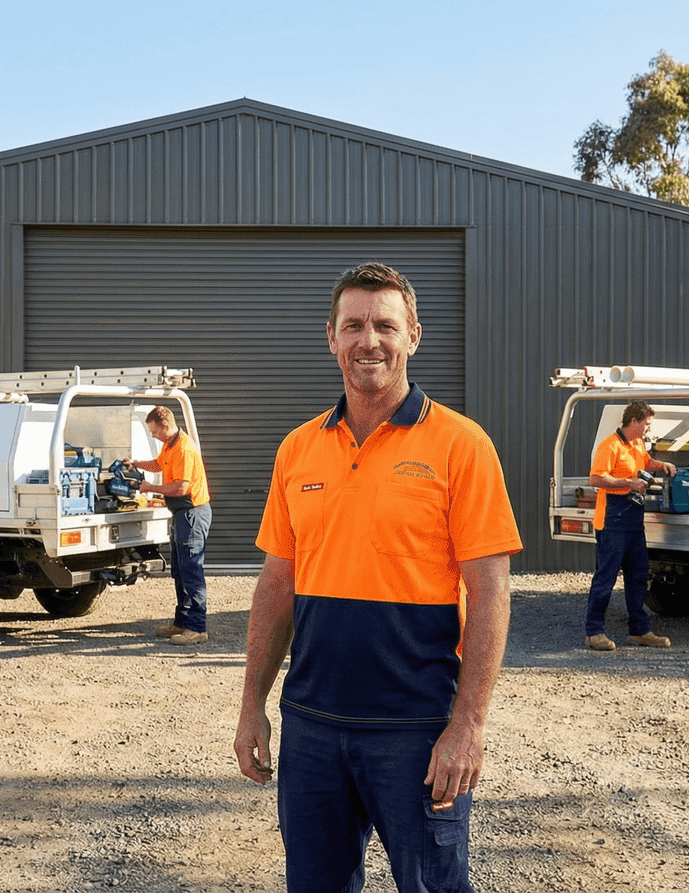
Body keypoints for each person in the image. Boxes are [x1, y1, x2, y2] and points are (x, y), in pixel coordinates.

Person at [233, 262, 522, 893]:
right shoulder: (298, 449)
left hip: (416, 730)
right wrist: (252, 704)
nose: (370, 340)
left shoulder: (461, 445)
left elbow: (492, 590)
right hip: (312, 725)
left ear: (414, 336)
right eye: (354, 325)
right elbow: (277, 586)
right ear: (330, 337)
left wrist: (467, 725)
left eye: (386, 325)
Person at [583, 400, 676, 651]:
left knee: (638, 576)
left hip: (633, 523)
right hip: (611, 523)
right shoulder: (610, 445)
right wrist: (629, 483)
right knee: (605, 578)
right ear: (633, 421)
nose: (648, 429)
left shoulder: (637, 443)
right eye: (646, 424)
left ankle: (639, 631)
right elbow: (596, 478)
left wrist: (662, 465)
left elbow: (645, 461)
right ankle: (594, 632)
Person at [127, 405, 211, 646]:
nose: (152, 435)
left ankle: (196, 629)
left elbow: (181, 488)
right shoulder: (170, 445)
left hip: (192, 514)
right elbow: (159, 464)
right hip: (182, 514)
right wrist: (137, 463)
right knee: (180, 570)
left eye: (153, 431)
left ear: (164, 426)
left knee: (191, 571)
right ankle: (182, 621)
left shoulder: (184, 448)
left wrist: (150, 488)